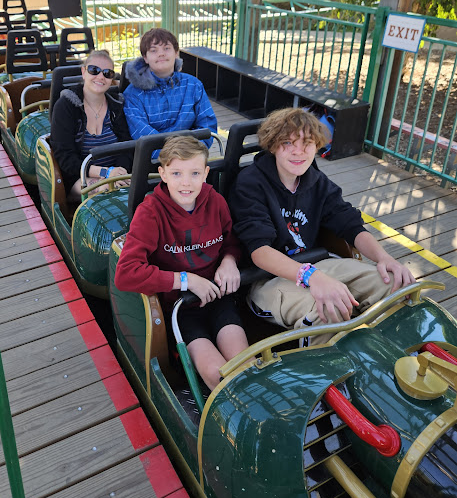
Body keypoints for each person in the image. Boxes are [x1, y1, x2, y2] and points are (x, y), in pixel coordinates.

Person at [229, 107, 416, 345]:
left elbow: (351, 225)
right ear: (273, 145)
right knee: (328, 310)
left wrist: (384, 258)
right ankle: (327, 365)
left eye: (307, 143)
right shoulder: (250, 184)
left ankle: (391, 353)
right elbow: (260, 251)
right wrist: (312, 277)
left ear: (317, 145)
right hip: (266, 279)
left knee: (395, 286)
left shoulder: (316, 181)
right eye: (287, 142)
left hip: (316, 265)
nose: (298, 151)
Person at [114, 136, 249, 390]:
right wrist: (186, 280)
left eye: (194, 173)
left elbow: (231, 242)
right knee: (218, 376)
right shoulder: (150, 212)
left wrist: (229, 261)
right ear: (162, 174)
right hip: (180, 309)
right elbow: (126, 273)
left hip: (217, 298)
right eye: (176, 173)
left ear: (206, 173)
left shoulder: (215, 202)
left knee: (245, 366)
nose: (186, 182)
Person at [123, 28, 217, 159]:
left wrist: (191, 154)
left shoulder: (193, 85)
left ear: (176, 53)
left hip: (191, 157)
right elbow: (143, 136)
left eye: (166, 48)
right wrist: (172, 159)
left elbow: (207, 126)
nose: (161, 54)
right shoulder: (133, 94)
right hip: (154, 162)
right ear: (145, 57)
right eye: (153, 50)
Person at [50, 49, 132, 201]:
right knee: (106, 189)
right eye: (94, 70)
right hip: (78, 176)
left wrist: (119, 173)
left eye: (107, 73)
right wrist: (105, 173)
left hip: (115, 176)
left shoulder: (116, 106)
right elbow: (65, 157)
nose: (100, 77)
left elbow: (126, 146)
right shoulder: (65, 106)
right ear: (83, 72)